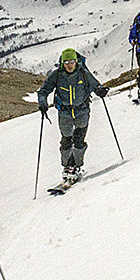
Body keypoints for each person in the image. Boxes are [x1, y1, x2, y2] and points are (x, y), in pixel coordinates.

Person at [37, 48, 108, 186]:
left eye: (72, 61)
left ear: (76, 62)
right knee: (66, 140)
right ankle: (67, 166)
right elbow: (43, 91)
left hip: (82, 110)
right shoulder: (56, 75)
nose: (70, 65)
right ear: (62, 63)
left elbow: (96, 85)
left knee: (79, 140)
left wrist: (100, 90)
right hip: (65, 113)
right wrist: (42, 103)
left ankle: (77, 166)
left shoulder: (83, 74)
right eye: (67, 62)